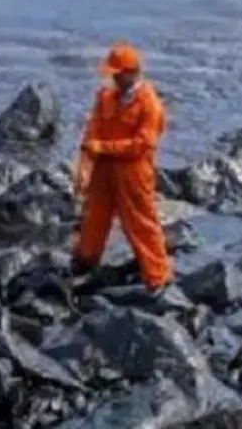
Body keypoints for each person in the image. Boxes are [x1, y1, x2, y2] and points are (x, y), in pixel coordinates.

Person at [71, 41, 172, 296]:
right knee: (95, 215)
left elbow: (142, 144)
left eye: (117, 73)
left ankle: (157, 276)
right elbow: (93, 127)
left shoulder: (150, 105)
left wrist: (102, 148)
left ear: (131, 73)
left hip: (133, 172)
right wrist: (85, 164)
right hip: (104, 168)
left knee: (140, 222)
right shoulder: (105, 96)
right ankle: (86, 260)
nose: (112, 78)